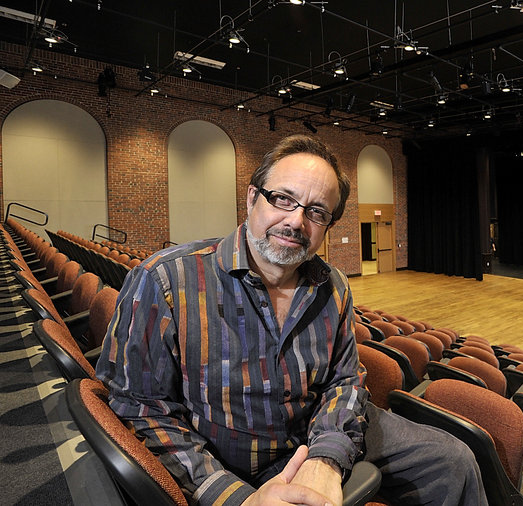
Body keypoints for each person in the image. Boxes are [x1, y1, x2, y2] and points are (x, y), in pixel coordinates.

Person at [95, 134, 487, 506]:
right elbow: (138, 407)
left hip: (318, 427)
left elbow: (344, 381)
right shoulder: (164, 280)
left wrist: (327, 457)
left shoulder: (333, 285)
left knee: (455, 461)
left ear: (328, 225)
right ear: (252, 198)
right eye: (283, 199)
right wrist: (234, 496)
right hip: (227, 457)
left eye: (316, 211)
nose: (297, 221)